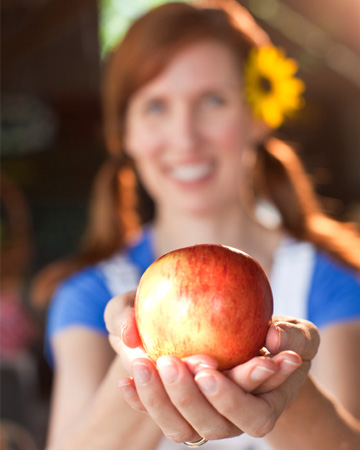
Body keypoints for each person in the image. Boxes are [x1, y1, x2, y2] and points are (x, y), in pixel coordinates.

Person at [30, 1, 360, 449]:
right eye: (156, 106)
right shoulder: (87, 296)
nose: (185, 137)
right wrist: (138, 368)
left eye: (213, 100)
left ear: (258, 115)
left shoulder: (334, 280)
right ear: (124, 133)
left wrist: (287, 386)